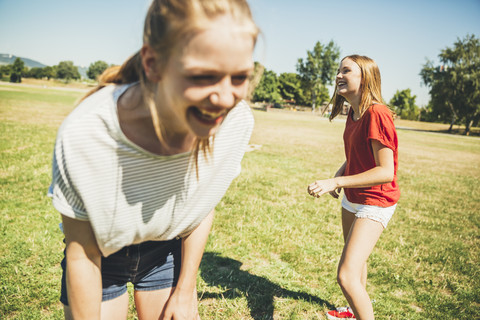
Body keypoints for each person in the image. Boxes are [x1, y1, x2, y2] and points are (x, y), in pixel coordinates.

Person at [48, 0, 259, 319]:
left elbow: (201, 205)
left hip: (165, 252)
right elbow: (83, 255)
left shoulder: (235, 123)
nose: (225, 99)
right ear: (152, 63)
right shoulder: (87, 133)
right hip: (99, 256)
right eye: (203, 76)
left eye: (240, 77)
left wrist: (185, 292)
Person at [307, 55, 400, 320]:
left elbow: (385, 171)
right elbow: (360, 151)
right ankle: (351, 312)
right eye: (338, 70)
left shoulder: (377, 114)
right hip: (352, 198)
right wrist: (343, 169)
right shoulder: (355, 112)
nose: (338, 75)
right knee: (357, 264)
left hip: (376, 201)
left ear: (365, 77)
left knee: (346, 276)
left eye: (346, 70)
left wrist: (335, 181)